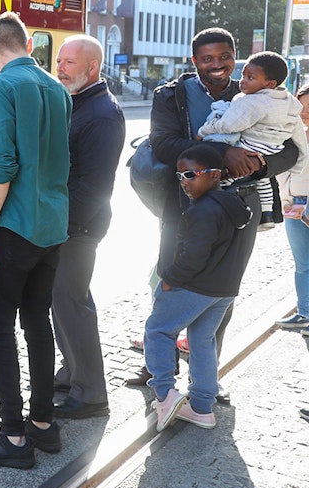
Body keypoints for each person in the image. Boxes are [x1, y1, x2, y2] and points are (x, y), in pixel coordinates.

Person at [127, 28, 299, 396]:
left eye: (224, 57)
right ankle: (160, 366)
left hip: (240, 206)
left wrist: (257, 164)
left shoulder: (258, 90)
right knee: (170, 278)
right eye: (207, 59)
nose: (217, 65)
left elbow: (291, 150)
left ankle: (205, 379)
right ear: (195, 61)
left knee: (223, 292)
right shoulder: (172, 95)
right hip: (183, 205)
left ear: (234, 55)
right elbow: (163, 143)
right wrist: (223, 155)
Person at [0, 12, 70, 469]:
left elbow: (1, 165)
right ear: (29, 42)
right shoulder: (58, 88)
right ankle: (42, 423)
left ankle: (13, 436)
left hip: (14, 225)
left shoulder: (1, 87)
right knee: (38, 322)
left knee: (1, 328)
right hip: (52, 225)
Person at [146, 144, 252, 431]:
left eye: (191, 174)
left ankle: (165, 395)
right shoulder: (235, 204)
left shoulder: (203, 211)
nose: (184, 182)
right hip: (224, 290)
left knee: (157, 330)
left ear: (215, 174)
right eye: (180, 175)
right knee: (202, 340)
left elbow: (192, 258)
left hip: (195, 286)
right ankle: (203, 408)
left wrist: (168, 278)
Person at [50, 36, 125, 419]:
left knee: (72, 305)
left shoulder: (101, 113)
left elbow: (94, 185)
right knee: (65, 304)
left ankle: (91, 394)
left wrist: (63, 227)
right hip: (68, 223)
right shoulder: (79, 101)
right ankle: (73, 372)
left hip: (76, 227)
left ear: (92, 67)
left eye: (69, 62)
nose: (60, 67)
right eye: (60, 60)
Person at [197, 51, 309, 230]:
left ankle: (221, 204)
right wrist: (298, 165)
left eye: (250, 77)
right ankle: (266, 215)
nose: (243, 81)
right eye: (243, 76)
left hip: (250, 146)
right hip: (272, 149)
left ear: (269, 84)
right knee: (262, 179)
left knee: (224, 172)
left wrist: (205, 130)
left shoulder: (251, 101)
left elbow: (230, 125)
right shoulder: (289, 103)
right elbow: (298, 137)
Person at [277, 84, 309, 331]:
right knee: (302, 264)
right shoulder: (290, 135)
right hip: (293, 207)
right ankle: (305, 313)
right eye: (301, 105)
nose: (305, 111)